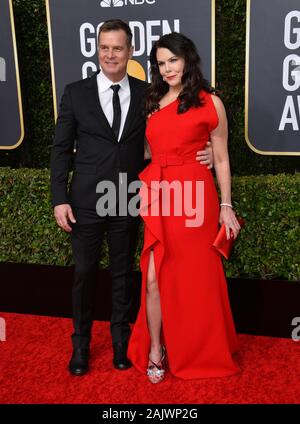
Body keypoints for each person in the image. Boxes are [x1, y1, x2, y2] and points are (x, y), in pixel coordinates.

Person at [50, 20, 213, 376]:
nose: (110, 54)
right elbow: (61, 148)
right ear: (97, 50)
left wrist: (209, 153)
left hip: (128, 197)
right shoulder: (75, 92)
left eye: (118, 48)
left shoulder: (148, 95)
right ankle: (80, 346)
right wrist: (59, 197)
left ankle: (122, 345)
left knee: (124, 274)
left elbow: (174, 136)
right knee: (84, 273)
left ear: (131, 51)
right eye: (104, 47)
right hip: (85, 202)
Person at [127, 32, 241, 383]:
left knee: (196, 279)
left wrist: (226, 205)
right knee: (153, 278)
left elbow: (221, 158)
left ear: (188, 59)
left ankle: (201, 349)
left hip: (196, 196)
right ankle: (156, 350)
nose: (167, 69)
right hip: (160, 194)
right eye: (161, 63)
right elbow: (150, 149)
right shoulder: (152, 100)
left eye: (172, 60)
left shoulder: (210, 102)